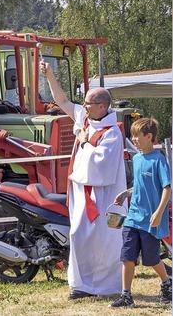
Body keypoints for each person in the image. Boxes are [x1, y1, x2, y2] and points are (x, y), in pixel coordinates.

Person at [40, 61, 126, 299]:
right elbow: (63, 102)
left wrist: (86, 140)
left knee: (104, 241)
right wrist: (49, 75)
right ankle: (80, 285)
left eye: (88, 103)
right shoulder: (85, 119)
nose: (84, 107)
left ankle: (106, 287)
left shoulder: (112, 133)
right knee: (78, 235)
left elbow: (102, 166)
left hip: (102, 195)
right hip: (81, 191)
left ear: (101, 106)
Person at [111, 117, 172, 308]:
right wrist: (126, 193)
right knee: (127, 257)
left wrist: (159, 213)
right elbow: (139, 185)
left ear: (150, 137)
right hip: (133, 218)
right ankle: (126, 295)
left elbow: (167, 188)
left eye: (137, 136)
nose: (134, 140)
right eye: (132, 136)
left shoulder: (159, 160)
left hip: (150, 220)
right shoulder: (136, 159)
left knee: (151, 259)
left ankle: (167, 284)